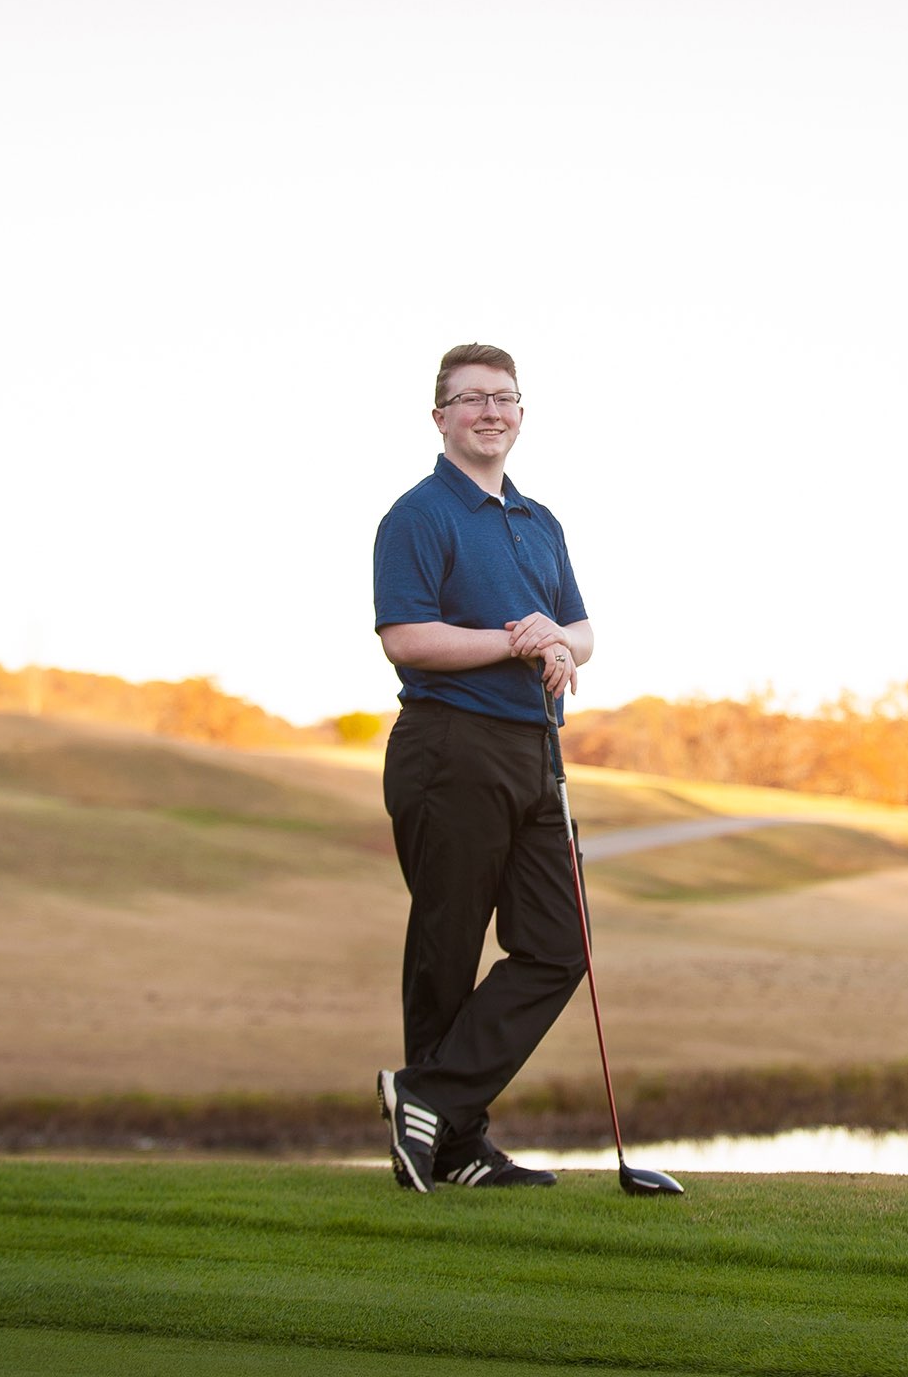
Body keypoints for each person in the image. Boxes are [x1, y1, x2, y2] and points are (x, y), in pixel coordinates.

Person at [370, 342, 593, 1191]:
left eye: (504, 397)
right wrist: (514, 637)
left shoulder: (541, 522)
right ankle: (451, 1145)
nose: (489, 411)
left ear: (522, 413)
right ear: (441, 418)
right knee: (448, 946)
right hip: (449, 746)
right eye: (470, 399)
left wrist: (557, 643)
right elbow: (406, 637)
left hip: (534, 748)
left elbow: (583, 632)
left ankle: (425, 1099)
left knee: (556, 946)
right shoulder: (418, 515)